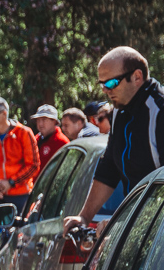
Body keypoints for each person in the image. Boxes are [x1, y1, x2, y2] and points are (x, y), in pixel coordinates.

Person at [65, 46, 164, 232]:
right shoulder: (120, 110)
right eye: (101, 84)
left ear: (137, 77)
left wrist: (124, 225)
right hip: (141, 229)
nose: (105, 90)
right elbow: (109, 166)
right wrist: (84, 216)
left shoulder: (159, 111)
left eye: (110, 83)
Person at [0, 97, 40, 214]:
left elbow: (33, 165)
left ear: (4, 114)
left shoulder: (24, 133)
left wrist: (11, 182)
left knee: (22, 230)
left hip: (21, 194)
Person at [31, 105, 67, 173]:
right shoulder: (34, 140)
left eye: (44, 120)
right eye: (38, 120)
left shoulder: (61, 142)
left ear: (54, 121)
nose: (40, 124)